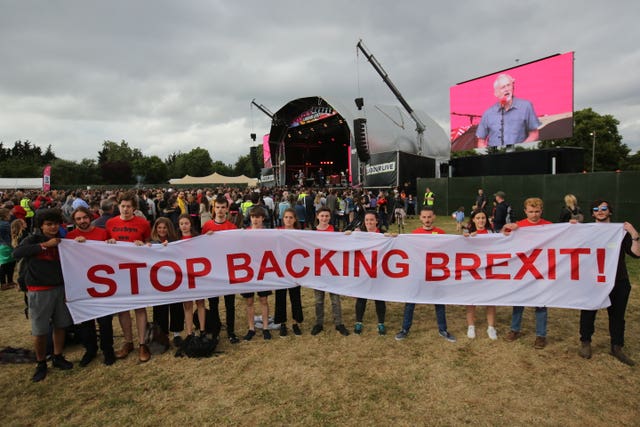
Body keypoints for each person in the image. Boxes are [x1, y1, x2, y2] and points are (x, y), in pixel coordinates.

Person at [13, 208, 73, 382]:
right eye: (49, 224)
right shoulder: (33, 240)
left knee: (61, 325)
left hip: (60, 288)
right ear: (41, 226)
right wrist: (44, 245)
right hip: (39, 290)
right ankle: (41, 362)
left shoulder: (62, 241)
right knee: (40, 330)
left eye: (56, 224)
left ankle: (58, 355)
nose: (53, 227)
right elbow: (16, 253)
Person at [578, 200, 640, 365]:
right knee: (589, 310)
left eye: (604, 208)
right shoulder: (586, 231)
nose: (600, 211)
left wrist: (634, 234)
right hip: (594, 279)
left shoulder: (620, 231)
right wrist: (572, 227)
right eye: (596, 209)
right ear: (592, 213)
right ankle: (585, 342)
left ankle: (617, 347)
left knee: (617, 315)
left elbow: (636, 254)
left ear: (609, 211)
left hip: (618, 280)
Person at [395, 206, 456, 342]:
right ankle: (405, 329)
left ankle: (443, 329)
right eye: (424, 217)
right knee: (410, 302)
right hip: (418, 274)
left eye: (429, 217)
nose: (427, 220)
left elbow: (453, 249)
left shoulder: (441, 233)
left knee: (439, 302)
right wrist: (393, 238)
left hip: (436, 275)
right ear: (420, 218)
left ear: (434, 217)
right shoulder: (414, 234)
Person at [105, 191, 152, 362]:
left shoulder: (143, 223)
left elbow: (150, 244)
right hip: (117, 271)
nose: (125, 209)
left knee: (140, 308)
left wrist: (144, 245)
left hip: (137, 271)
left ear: (134, 208)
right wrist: (108, 243)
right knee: (123, 309)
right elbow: (103, 246)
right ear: (118, 206)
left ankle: (142, 343)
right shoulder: (110, 223)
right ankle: (128, 341)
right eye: (123, 206)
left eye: (129, 206)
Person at [66, 207, 115, 366]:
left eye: (84, 218)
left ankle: (108, 350)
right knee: (86, 320)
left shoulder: (102, 233)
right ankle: (90, 350)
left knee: (105, 320)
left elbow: (112, 254)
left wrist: (111, 243)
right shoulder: (70, 237)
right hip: (82, 283)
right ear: (74, 221)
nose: (82, 221)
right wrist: (73, 245)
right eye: (78, 219)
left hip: (103, 283)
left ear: (90, 217)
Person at [502, 197, 552, 349]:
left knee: (541, 304)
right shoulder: (519, 226)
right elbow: (500, 239)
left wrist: (572, 226)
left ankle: (541, 335)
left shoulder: (550, 226)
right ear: (525, 211)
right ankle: (515, 329)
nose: (534, 215)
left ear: (541, 211)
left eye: (537, 211)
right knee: (519, 301)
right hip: (522, 270)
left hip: (542, 271)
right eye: (531, 211)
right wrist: (506, 228)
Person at [202, 195, 240, 344]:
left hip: (227, 270)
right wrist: (206, 237)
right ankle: (216, 330)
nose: (220, 210)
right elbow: (200, 248)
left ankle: (231, 331)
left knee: (230, 303)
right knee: (213, 303)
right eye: (217, 207)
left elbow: (237, 248)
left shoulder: (232, 227)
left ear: (227, 209)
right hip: (212, 271)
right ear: (213, 208)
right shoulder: (207, 226)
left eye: (223, 207)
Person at [310, 207, 349, 336]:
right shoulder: (312, 232)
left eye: (327, 216)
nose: (324, 218)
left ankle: (339, 323)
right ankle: (318, 323)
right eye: (322, 216)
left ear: (330, 217)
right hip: (319, 270)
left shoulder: (336, 231)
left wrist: (350, 235)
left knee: (335, 299)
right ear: (317, 216)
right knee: (318, 300)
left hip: (333, 270)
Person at [476, 73, 541, 148]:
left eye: (508, 85)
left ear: (513, 87)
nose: (507, 89)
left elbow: (534, 134)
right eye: (503, 87)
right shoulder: (488, 113)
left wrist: (519, 150)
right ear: (496, 93)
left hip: (519, 155)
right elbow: (481, 142)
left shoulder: (526, 106)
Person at [149, 217, 185, 346]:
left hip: (174, 279)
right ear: (155, 229)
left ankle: (177, 334)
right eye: (159, 228)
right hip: (157, 281)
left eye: (164, 228)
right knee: (160, 307)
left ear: (169, 229)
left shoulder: (175, 242)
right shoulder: (151, 242)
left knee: (176, 306)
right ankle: (161, 334)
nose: (162, 230)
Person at [463, 210, 498, 340]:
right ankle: (471, 326)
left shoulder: (492, 233)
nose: (481, 220)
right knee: (471, 300)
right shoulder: (467, 234)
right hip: (473, 272)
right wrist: (465, 239)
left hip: (489, 271)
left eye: (483, 218)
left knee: (491, 300)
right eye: (478, 218)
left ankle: (491, 327)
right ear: (473, 220)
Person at [241, 206, 272, 341]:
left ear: (262, 218)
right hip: (248, 270)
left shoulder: (268, 233)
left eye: (258, 217)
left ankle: (265, 327)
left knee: (263, 300)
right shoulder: (244, 233)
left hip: (263, 270)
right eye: (253, 217)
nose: (255, 219)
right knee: (249, 301)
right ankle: (251, 327)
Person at [353, 211, 387, 335]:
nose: (369, 222)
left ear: (377, 221)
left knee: (379, 298)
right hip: (364, 271)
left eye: (371, 220)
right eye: (366, 220)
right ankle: (358, 322)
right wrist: (347, 235)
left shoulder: (383, 234)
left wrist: (395, 237)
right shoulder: (360, 234)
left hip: (379, 272)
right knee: (361, 298)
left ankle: (381, 323)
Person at [273, 208, 304, 337]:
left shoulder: (300, 234)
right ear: (283, 218)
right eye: (286, 217)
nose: (288, 220)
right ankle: (282, 324)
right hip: (280, 269)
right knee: (280, 297)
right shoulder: (276, 232)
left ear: (295, 219)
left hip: (295, 269)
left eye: (291, 217)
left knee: (295, 297)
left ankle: (296, 323)